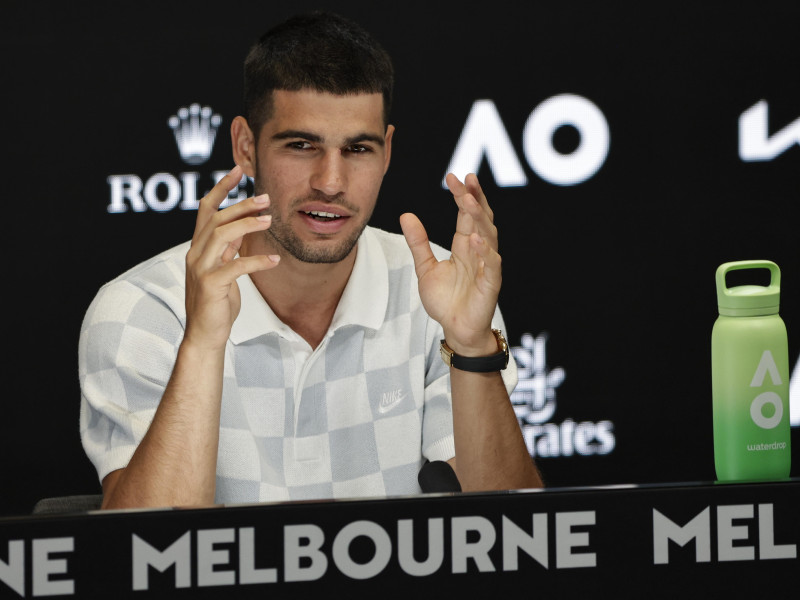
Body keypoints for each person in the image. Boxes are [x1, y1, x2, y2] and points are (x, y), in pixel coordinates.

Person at [79, 11, 542, 510]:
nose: (331, 181)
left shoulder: (438, 292)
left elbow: (509, 537)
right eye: (301, 145)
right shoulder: (142, 310)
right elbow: (149, 559)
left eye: (357, 149)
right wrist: (203, 343)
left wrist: (471, 345)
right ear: (245, 146)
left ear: (386, 152)